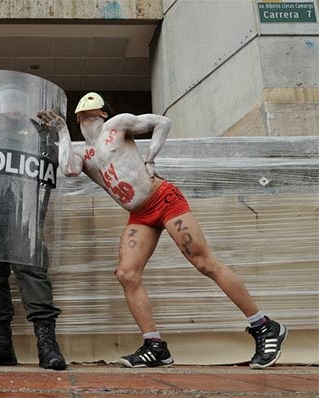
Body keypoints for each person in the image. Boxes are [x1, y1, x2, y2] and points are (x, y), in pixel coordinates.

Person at [37, 92, 288, 369]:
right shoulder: (84, 153)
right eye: (79, 117)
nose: (84, 118)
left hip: (163, 199)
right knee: (127, 274)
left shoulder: (117, 125)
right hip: (140, 214)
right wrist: (61, 131)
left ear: (103, 113)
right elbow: (69, 170)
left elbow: (162, 122)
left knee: (205, 263)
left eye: (89, 113)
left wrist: (151, 159)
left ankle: (265, 326)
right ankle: (155, 346)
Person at [0, 86, 66, 371]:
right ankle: (1, 345)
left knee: (32, 272)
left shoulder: (38, 133)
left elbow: (52, 166)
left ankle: (47, 345)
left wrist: (51, 131)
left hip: (22, 215)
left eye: (18, 101)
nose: (12, 106)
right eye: (7, 99)